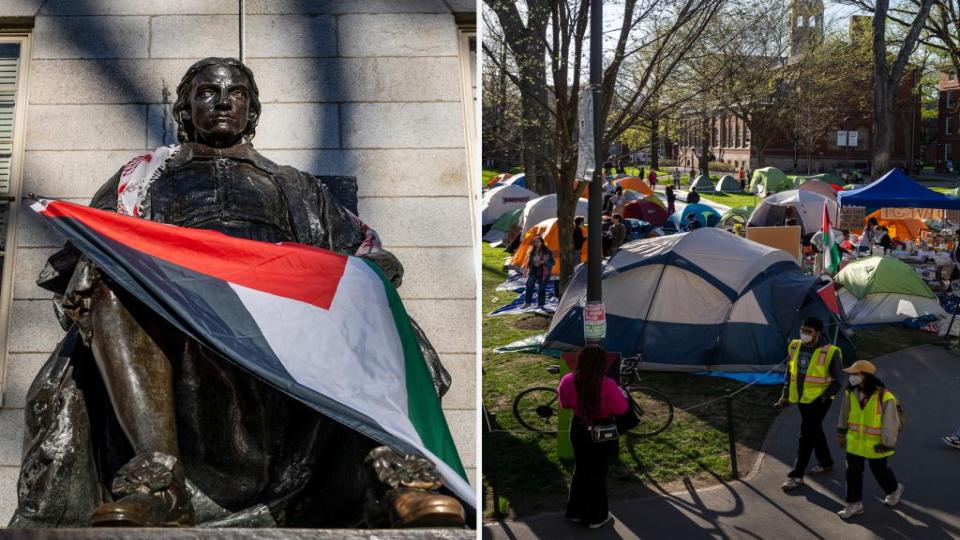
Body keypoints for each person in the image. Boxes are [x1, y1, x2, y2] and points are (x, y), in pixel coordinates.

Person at [15, 57, 463, 528]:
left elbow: (369, 253)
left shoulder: (294, 184)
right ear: (186, 109)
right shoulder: (142, 179)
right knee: (109, 284)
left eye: (237, 93)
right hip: (176, 306)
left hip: (281, 312)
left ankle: (397, 475)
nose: (224, 100)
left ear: (252, 110)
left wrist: (358, 275)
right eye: (208, 91)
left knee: (362, 298)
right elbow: (85, 247)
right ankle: (157, 480)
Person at [558, 344, 628, 529]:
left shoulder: (568, 380)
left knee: (580, 469)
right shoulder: (607, 384)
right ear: (601, 364)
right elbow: (621, 409)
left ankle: (575, 512)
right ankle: (597, 517)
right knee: (597, 472)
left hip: (579, 427)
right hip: (602, 429)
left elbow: (564, 404)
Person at [774, 318, 843, 491]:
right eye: (802, 330)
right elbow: (790, 374)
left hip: (819, 401)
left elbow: (837, 382)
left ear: (818, 334)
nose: (804, 334)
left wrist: (821, 398)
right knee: (814, 430)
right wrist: (785, 395)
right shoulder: (794, 346)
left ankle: (796, 475)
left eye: (808, 331)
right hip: (801, 399)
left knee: (806, 435)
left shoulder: (831, 352)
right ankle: (826, 462)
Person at [836, 360, 904, 519]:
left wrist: (887, 444)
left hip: (877, 444)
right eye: (851, 374)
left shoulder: (885, 396)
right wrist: (841, 433)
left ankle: (894, 489)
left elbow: (891, 423)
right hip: (854, 441)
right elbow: (844, 414)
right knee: (852, 472)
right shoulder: (850, 393)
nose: (851, 377)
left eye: (856, 374)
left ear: (866, 376)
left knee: (879, 470)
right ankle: (854, 504)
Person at [523, 235, 554, 310]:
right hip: (533, 270)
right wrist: (527, 268)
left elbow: (552, 263)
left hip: (544, 271)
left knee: (541, 288)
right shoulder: (532, 251)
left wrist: (543, 262)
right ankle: (527, 303)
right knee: (529, 285)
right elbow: (529, 261)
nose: (536, 243)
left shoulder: (547, 251)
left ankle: (541, 304)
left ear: (542, 242)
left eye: (537, 242)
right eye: (534, 242)